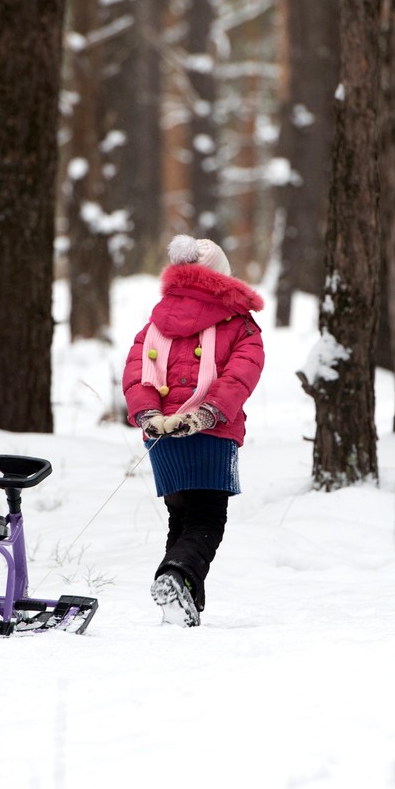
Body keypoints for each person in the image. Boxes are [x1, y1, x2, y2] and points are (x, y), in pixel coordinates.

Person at [123, 234, 265, 626]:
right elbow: (242, 375)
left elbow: (136, 372)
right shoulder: (239, 324)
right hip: (211, 433)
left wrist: (149, 415)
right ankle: (177, 575)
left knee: (181, 517)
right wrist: (207, 413)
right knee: (206, 520)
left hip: (163, 436)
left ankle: (183, 602)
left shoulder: (156, 322)